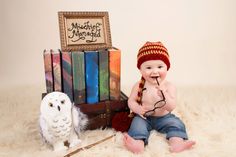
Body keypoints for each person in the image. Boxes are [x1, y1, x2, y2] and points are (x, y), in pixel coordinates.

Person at [123, 41, 195, 153]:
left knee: (176, 123)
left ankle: (177, 143)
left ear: (167, 68)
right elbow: (131, 101)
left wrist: (164, 95)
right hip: (144, 118)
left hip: (164, 118)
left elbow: (171, 107)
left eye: (160, 66)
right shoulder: (138, 86)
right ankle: (137, 144)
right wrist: (137, 109)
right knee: (137, 125)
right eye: (148, 67)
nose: (155, 71)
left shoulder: (169, 86)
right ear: (140, 69)